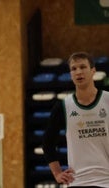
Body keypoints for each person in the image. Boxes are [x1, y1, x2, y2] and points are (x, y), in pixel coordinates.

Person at [42, 52, 109, 187]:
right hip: (78, 182)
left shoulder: (107, 100)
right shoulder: (63, 106)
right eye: (74, 69)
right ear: (70, 74)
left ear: (93, 71)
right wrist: (57, 173)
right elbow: (47, 143)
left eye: (83, 67)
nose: (78, 72)